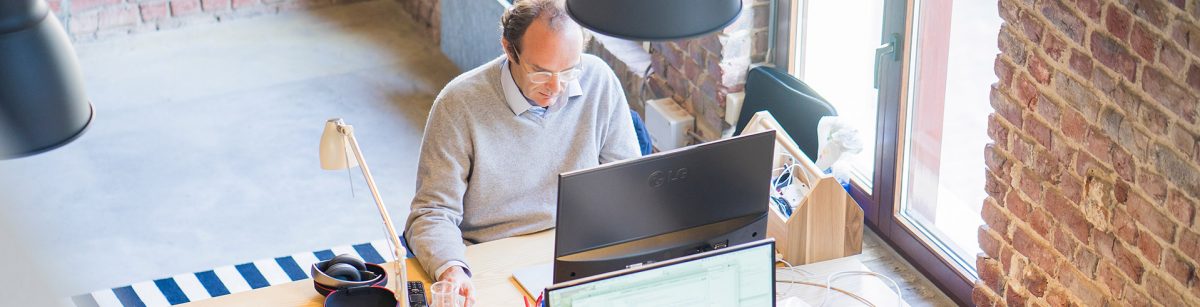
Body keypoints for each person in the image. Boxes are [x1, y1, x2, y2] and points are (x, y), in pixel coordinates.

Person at [404, 0, 640, 304]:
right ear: (508, 49)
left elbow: (629, 184)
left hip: (574, 250)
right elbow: (431, 212)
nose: (556, 88)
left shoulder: (598, 80)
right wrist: (451, 268)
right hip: (489, 256)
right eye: (540, 72)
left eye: (568, 70)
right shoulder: (458, 104)